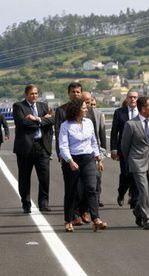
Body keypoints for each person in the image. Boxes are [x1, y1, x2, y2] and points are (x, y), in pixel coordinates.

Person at [59, 98, 107, 232]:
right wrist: (70, 161)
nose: (87, 109)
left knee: (92, 188)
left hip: (88, 158)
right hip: (72, 160)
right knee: (71, 191)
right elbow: (63, 145)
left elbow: (93, 141)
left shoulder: (89, 123)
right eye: (84, 108)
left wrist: (98, 159)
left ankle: (96, 218)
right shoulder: (66, 125)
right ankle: (68, 220)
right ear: (77, 110)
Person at [55, 82, 97, 225]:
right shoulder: (61, 111)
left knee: (90, 186)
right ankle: (74, 216)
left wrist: (99, 155)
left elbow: (94, 135)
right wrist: (62, 155)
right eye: (73, 92)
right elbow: (59, 135)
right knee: (74, 188)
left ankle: (86, 212)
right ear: (69, 93)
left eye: (78, 92)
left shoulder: (88, 113)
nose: (76, 94)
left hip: (88, 156)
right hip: (70, 155)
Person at [12, 84, 54, 213]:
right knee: (24, 178)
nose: (34, 96)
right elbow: (22, 123)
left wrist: (36, 119)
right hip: (25, 148)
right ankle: (26, 204)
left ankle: (44, 203)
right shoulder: (19, 106)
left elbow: (52, 120)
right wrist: (42, 121)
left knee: (44, 177)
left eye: (36, 93)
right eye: (31, 94)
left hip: (42, 146)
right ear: (26, 95)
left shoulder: (43, 106)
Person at [121, 96, 149, 230]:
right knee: (143, 190)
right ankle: (147, 219)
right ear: (143, 109)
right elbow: (125, 146)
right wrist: (130, 161)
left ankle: (138, 210)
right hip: (137, 162)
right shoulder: (131, 124)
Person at [110, 90, 139, 208]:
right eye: (130, 97)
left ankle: (133, 198)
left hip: (137, 149)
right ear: (126, 99)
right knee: (126, 174)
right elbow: (114, 132)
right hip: (123, 149)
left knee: (136, 174)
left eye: (135, 97)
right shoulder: (119, 113)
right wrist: (113, 149)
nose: (133, 99)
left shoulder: (141, 112)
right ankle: (121, 192)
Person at [83, 93, 107, 207]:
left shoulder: (99, 114)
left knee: (98, 177)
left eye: (93, 104)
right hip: (84, 152)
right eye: (89, 103)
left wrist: (103, 153)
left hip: (97, 150)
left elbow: (102, 134)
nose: (91, 106)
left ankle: (97, 198)